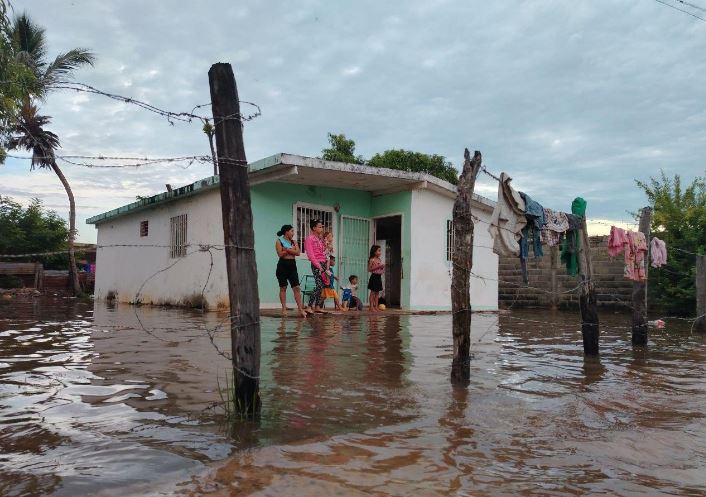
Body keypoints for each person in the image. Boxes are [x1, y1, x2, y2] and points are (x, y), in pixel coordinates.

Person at [274, 224, 307, 318]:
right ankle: (284, 309)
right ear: (286, 232)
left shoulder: (294, 241)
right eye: (292, 231)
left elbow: (298, 253)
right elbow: (280, 254)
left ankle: (301, 309)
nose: (293, 233)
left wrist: (287, 249)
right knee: (283, 287)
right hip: (282, 266)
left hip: (292, 266)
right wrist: (291, 250)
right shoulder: (279, 241)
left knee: (296, 288)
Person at [303, 219, 327, 314]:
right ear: (314, 228)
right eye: (320, 227)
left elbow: (323, 252)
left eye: (322, 227)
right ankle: (309, 306)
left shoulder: (320, 239)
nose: (321, 228)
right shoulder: (309, 239)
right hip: (316, 264)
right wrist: (318, 266)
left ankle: (317, 306)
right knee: (319, 285)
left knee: (322, 286)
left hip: (323, 263)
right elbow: (311, 254)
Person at [367, 245, 385, 311]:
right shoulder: (372, 260)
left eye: (380, 251)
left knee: (377, 293)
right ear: (374, 252)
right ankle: (371, 307)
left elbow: (381, 270)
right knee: (373, 292)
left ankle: (376, 306)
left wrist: (382, 268)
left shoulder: (379, 260)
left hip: (378, 277)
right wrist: (378, 267)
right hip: (374, 277)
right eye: (379, 251)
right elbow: (369, 269)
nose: (380, 252)